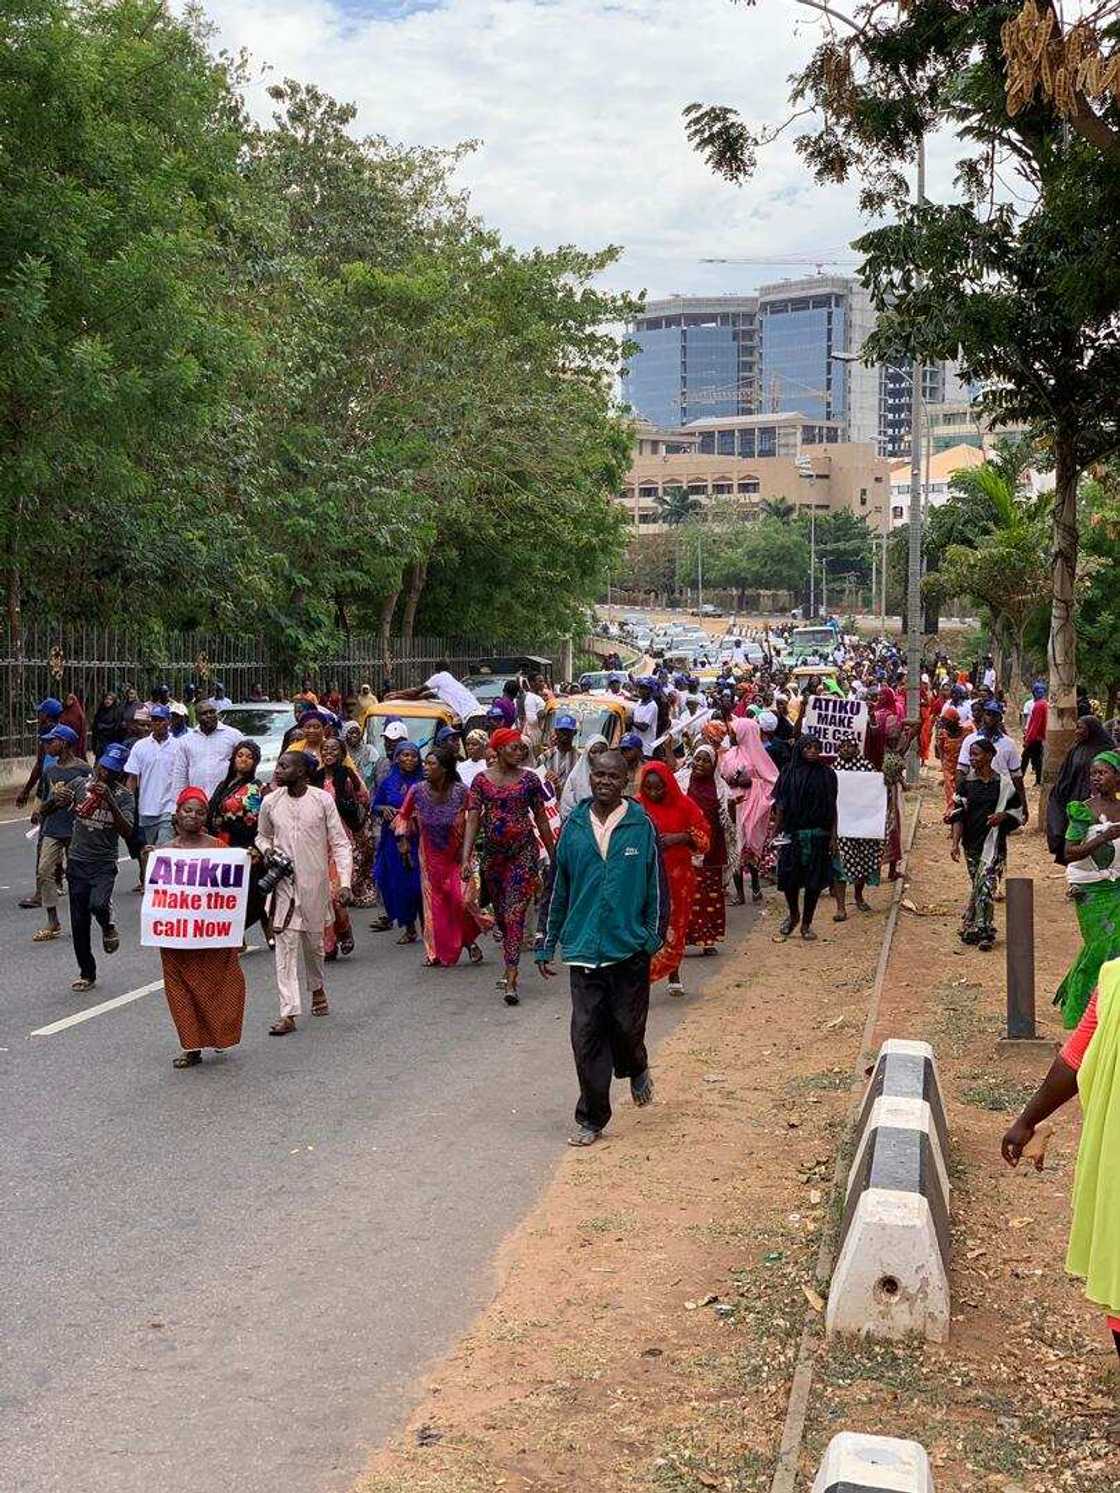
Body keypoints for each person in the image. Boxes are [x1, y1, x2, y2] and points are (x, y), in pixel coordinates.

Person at [536, 748, 665, 1146]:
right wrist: (547, 940)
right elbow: (558, 888)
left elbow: (657, 886)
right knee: (587, 1033)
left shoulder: (642, 825)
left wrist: (651, 936)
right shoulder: (574, 826)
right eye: (599, 776)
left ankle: (637, 1065)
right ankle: (592, 1118)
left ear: (626, 781)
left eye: (614, 777)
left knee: (626, 1028)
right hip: (584, 949)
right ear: (590, 778)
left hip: (629, 950)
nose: (606, 782)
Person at [1001, 957, 1120, 1363]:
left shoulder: (1114, 981)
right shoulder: (1111, 982)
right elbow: (1073, 1059)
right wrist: (1028, 1120)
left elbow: (1074, 1059)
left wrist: (1027, 1121)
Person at [254, 750, 353, 1034]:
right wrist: (268, 850)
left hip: (315, 886)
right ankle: (288, 1012)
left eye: (284, 766)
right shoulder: (271, 802)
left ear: (302, 772)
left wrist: (344, 882)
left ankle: (317, 986)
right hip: (283, 886)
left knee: (314, 945)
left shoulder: (322, 800)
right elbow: (262, 835)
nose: (278, 770)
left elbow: (340, 842)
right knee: (285, 946)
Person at [461, 727, 556, 1005]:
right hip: (493, 856)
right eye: (513, 747)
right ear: (498, 749)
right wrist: (465, 858)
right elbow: (472, 820)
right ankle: (509, 957)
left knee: (515, 914)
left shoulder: (529, 780)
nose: (520, 752)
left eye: (522, 749)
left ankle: (511, 976)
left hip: (523, 853)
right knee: (502, 914)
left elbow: (540, 818)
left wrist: (553, 854)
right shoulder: (481, 781)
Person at [157, 787, 248, 1069]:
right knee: (180, 988)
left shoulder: (219, 849)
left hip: (211, 936)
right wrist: (150, 860)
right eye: (187, 810)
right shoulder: (166, 852)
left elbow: (229, 895)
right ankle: (191, 1045)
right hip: (177, 937)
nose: (193, 816)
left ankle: (218, 1034)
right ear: (177, 814)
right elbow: (156, 894)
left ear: (206, 817)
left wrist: (237, 929)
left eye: (199, 812)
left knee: (221, 984)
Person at [395, 746, 486, 967]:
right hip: (431, 858)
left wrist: (469, 853)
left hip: (458, 856)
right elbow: (403, 817)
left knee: (461, 901)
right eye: (424, 763)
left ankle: (468, 938)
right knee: (435, 907)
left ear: (444, 769)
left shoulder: (461, 792)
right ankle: (434, 952)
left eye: (431, 764)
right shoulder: (417, 791)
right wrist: (403, 841)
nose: (425, 767)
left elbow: (476, 817)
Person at [1053, 751, 1120, 1030]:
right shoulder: (1084, 809)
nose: (1096, 778)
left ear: (1117, 778)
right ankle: (1080, 1003)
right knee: (1100, 944)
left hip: (1116, 885)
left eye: (1102, 773)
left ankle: (1107, 1003)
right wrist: (1102, 838)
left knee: (1115, 944)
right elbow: (1069, 852)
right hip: (1091, 889)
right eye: (1093, 773)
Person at [66, 743, 135, 993]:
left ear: (120, 773)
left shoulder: (123, 796)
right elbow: (52, 808)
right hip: (77, 861)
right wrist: (57, 800)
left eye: (112, 770)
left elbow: (127, 830)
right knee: (78, 921)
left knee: (97, 903)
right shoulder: (79, 785)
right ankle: (87, 972)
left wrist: (109, 801)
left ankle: (107, 924)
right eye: (103, 767)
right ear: (97, 764)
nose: (105, 773)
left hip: (103, 863)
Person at [637, 760, 710, 996]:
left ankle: (673, 972)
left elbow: (704, 838)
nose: (654, 793)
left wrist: (679, 838)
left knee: (675, 926)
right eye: (649, 788)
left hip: (678, 878)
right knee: (645, 926)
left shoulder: (684, 805)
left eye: (659, 787)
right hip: (645, 877)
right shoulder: (637, 807)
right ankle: (640, 977)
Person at [947, 738, 1024, 951]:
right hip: (971, 844)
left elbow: (1017, 815)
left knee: (986, 885)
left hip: (995, 845)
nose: (972, 758)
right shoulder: (965, 784)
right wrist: (955, 844)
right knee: (979, 885)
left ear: (990, 756)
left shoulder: (1004, 785)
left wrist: (1003, 817)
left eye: (976, 754)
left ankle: (985, 931)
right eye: (971, 754)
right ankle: (970, 925)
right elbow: (958, 816)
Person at [772, 735, 838, 941]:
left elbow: (833, 806)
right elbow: (781, 804)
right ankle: (794, 914)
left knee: (814, 883)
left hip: (819, 834)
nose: (812, 751)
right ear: (800, 749)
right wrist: (777, 830)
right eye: (808, 747)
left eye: (816, 748)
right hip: (793, 834)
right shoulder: (788, 772)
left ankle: (807, 923)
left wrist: (834, 836)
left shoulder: (827, 774)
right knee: (789, 879)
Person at [28, 725, 90, 943]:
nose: (46, 745)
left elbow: (90, 800)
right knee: (44, 870)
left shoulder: (83, 769)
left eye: (50, 741)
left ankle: (83, 918)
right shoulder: (50, 771)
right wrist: (39, 811)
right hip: (52, 829)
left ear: (63, 743)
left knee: (77, 876)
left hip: (75, 829)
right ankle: (52, 920)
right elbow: (43, 797)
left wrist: (72, 800)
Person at [207, 739, 270, 943]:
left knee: (253, 893)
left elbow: (258, 819)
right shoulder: (224, 784)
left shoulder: (256, 787)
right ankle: (236, 936)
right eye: (240, 755)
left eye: (249, 757)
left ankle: (252, 930)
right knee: (227, 892)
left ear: (255, 762)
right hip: (223, 844)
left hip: (246, 847)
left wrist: (258, 846)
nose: (244, 760)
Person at [315, 736, 367, 957]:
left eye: (334, 749)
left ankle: (344, 930)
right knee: (319, 895)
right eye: (325, 749)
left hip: (340, 839)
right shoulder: (312, 777)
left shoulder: (348, 776)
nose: (329, 753)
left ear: (342, 753)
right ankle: (328, 943)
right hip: (316, 841)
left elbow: (364, 798)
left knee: (336, 892)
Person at [681, 743, 734, 955]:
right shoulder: (681, 782)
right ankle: (682, 939)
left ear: (713, 765)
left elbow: (728, 823)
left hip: (712, 849)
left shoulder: (721, 788)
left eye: (706, 760)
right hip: (685, 847)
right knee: (685, 895)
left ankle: (708, 940)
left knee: (709, 895)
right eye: (698, 759)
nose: (700, 764)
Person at [720, 715, 779, 905]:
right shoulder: (729, 754)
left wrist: (751, 782)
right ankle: (739, 893)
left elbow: (773, 782)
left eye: (734, 732)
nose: (731, 735)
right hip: (733, 807)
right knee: (735, 849)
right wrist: (731, 781)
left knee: (750, 850)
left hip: (751, 806)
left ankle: (755, 888)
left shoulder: (759, 755)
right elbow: (723, 777)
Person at [371, 741, 424, 942]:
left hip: (419, 838)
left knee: (419, 884)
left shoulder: (424, 781)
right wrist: (383, 809)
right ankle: (408, 927)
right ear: (397, 757)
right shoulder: (388, 782)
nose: (409, 759)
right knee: (398, 883)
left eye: (413, 756)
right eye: (405, 755)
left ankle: (427, 926)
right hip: (394, 840)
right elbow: (375, 805)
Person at [1047, 716, 1116, 863]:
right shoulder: (1077, 748)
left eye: (1081, 728)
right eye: (1076, 727)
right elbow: (1066, 774)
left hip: (1098, 799)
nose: (1077, 731)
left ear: (1092, 730)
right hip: (1075, 798)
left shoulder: (1106, 749)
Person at [830, 736, 883, 921]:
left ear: (856, 748)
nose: (845, 749)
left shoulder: (867, 768)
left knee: (861, 862)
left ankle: (858, 896)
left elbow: (876, 793)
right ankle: (840, 907)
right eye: (842, 746)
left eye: (849, 746)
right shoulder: (832, 771)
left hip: (863, 824)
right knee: (840, 866)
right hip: (841, 825)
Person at [124, 704, 178, 851]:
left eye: (161, 720)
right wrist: (128, 803)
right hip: (146, 810)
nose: (158, 723)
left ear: (169, 722)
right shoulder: (140, 746)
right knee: (148, 853)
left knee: (162, 851)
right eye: (154, 720)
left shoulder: (179, 746)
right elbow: (132, 778)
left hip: (169, 809)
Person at [170, 699, 242, 799]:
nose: (209, 715)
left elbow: (244, 767)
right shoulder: (186, 741)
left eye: (212, 712)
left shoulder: (234, 736)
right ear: (196, 717)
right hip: (196, 802)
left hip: (226, 799)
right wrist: (177, 804)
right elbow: (180, 774)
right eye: (204, 713)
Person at [15, 697, 66, 809]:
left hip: (51, 787)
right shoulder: (63, 733)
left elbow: (39, 765)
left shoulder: (47, 734)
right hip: (56, 786)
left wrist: (26, 791)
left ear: (46, 716)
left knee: (44, 819)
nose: (38, 715)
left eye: (41, 712)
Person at [559, 733, 609, 820]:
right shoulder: (575, 778)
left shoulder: (612, 777)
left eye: (602, 752)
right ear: (587, 754)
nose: (599, 756)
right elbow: (566, 808)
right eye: (594, 752)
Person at [935, 705, 965, 812]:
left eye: (946, 721)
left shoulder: (966, 732)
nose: (944, 724)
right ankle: (951, 811)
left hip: (961, 766)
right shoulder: (943, 734)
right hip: (948, 766)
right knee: (950, 791)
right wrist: (944, 764)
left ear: (953, 721)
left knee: (960, 789)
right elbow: (940, 751)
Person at [543, 714, 579, 800]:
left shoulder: (580, 759)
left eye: (568, 730)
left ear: (574, 733)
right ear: (556, 731)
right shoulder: (545, 757)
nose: (564, 734)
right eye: (561, 730)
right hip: (550, 803)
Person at [1022, 683, 1049, 786]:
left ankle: (1020, 778)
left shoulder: (1038, 705)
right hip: (1040, 737)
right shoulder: (1045, 704)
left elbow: (1035, 725)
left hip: (1035, 737)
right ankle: (1038, 781)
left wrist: (1028, 739)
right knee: (1037, 759)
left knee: (1025, 757)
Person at [631, 679, 659, 757]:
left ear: (650, 691)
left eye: (644, 689)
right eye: (640, 688)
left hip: (646, 747)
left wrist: (632, 722)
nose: (641, 690)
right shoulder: (639, 703)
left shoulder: (652, 706)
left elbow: (644, 727)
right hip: (636, 745)